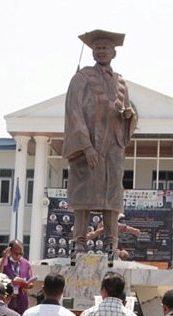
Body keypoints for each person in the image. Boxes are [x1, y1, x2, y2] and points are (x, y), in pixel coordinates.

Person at [63, 29, 136, 259]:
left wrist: (128, 116)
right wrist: (86, 145)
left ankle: (111, 245)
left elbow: (128, 113)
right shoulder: (81, 78)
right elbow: (73, 111)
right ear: (92, 52)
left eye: (106, 47)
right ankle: (80, 243)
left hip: (113, 148)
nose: (101, 51)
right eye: (97, 47)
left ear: (114, 53)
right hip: (90, 148)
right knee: (84, 196)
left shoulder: (121, 82)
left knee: (111, 199)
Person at [0, 240, 35, 315]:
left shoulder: (26, 263)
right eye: (16, 253)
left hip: (21, 301)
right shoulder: (2, 261)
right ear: (10, 251)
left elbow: (30, 281)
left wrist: (28, 285)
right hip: (7, 300)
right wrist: (4, 257)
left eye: (21, 254)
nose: (18, 256)